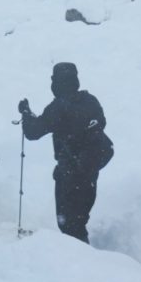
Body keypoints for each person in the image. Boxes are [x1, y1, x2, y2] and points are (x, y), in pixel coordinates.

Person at [18, 62, 113, 244]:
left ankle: (79, 263)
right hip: (91, 170)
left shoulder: (59, 107)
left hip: (69, 174)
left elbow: (33, 132)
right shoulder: (90, 101)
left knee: (69, 224)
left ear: (56, 83)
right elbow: (101, 124)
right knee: (80, 220)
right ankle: (85, 258)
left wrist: (26, 112)